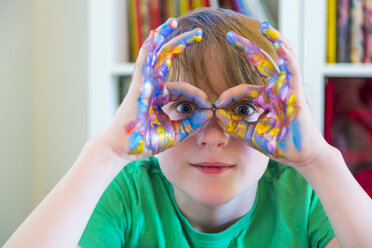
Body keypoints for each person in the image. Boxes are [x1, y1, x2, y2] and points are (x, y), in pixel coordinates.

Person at [4, 8, 372, 248]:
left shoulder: (304, 197)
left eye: (243, 109)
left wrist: (318, 158)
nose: (212, 135)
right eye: (184, 108)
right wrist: (108, 151)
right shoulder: (128, 194)